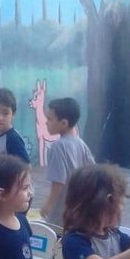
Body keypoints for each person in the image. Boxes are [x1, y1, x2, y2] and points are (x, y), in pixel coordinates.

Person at [40, 97, 94, 227]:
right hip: (78, 208)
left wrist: (49, 205)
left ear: (64, 123)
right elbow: (93, 171)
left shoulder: (58, 146)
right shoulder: (81, 143)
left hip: (61, 211)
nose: (46, 123)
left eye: (50, 119)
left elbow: (58, 182)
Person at [0, 87, 30, 163]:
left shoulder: (13, 139)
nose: (0, 118)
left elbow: (26, 166)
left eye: (5, 113)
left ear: (13, 114)